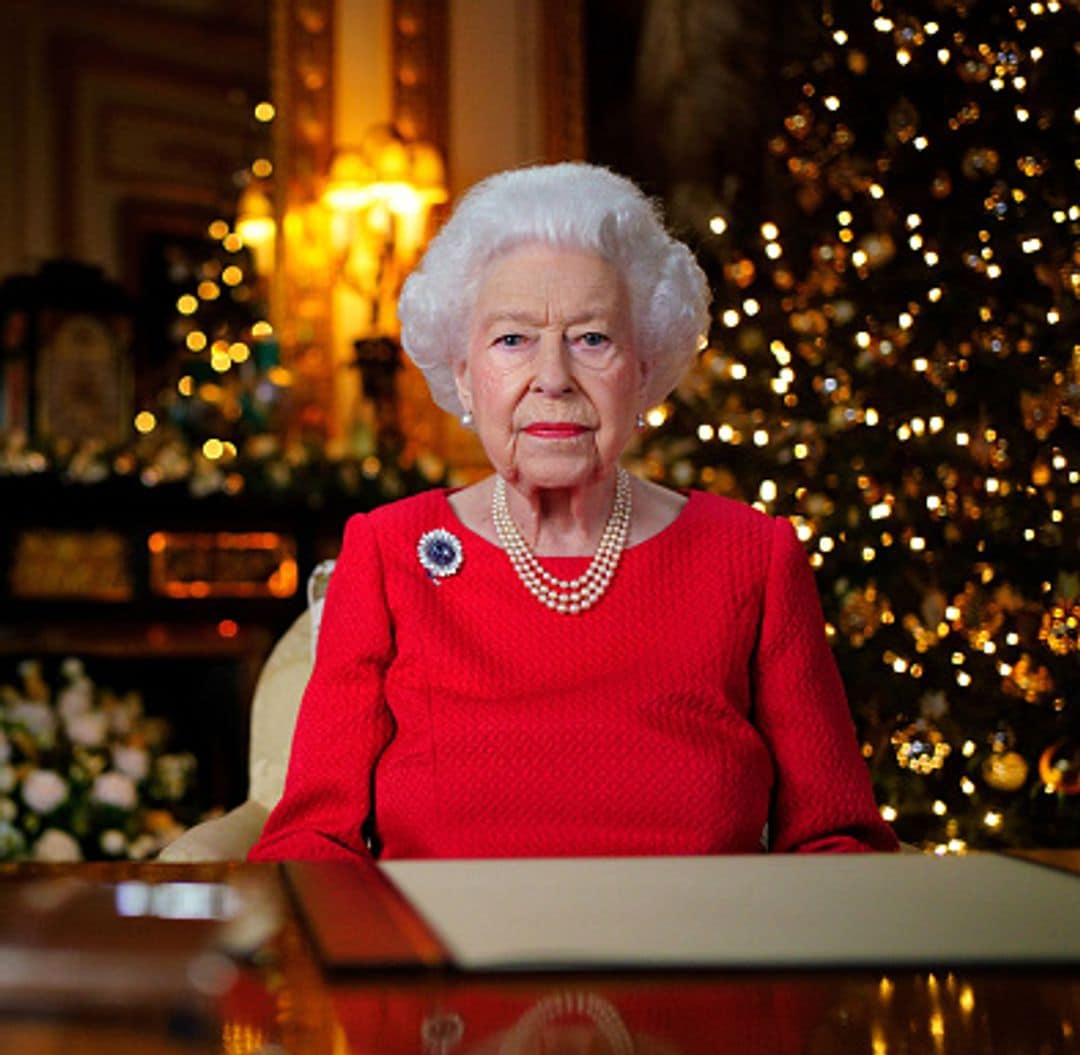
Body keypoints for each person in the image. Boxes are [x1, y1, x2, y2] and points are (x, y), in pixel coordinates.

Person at [248, 163, 898, 862]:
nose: (553, 379)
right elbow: (311, 844)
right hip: (446, 963)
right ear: (464, 373)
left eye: (592, 339)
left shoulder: (749, 556)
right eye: (512, 340)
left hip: (693, 963)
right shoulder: (389, 552)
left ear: (644, 369)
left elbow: (837, 840)